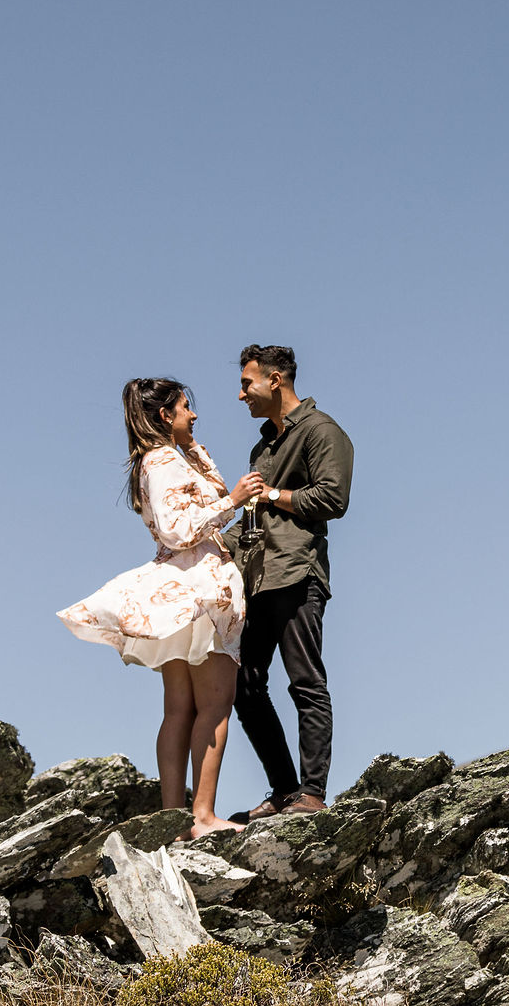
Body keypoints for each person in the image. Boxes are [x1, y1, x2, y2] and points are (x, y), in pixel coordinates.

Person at [58, 377, 265, 838]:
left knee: (179, 708)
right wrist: (232, 500)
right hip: (201, 589)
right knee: (214, 706)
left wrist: (195, 450)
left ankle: (173, 817)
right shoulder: (163, 460)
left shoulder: (157, 459)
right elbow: (178, 530)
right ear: (164, 416)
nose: (193, 415)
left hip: (178, 590)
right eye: (186, 408)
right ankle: (202, 815)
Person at [227, 344, 354, 819]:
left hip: (299, 573)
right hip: (257, 579)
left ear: (275, 380)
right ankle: (283, 789)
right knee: (245, 685)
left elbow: (333, 497)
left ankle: (312, 793)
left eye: (247, 384)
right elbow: (251, 514)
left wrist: (275, 493)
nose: (241, 394)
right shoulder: (263, 446)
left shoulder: (323, 432)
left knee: (305, 682)